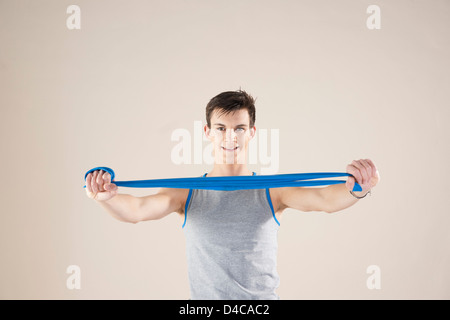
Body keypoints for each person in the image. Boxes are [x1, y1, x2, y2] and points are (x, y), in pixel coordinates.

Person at [85, 90, 380, 299]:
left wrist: (358, 188)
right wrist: (106, 197)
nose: (230, 137)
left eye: (239, 128)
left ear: (251, 132)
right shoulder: (186, 192)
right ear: (207, 132)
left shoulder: (271, 190)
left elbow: (326, 201)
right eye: (221, 128)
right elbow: (136, 210)